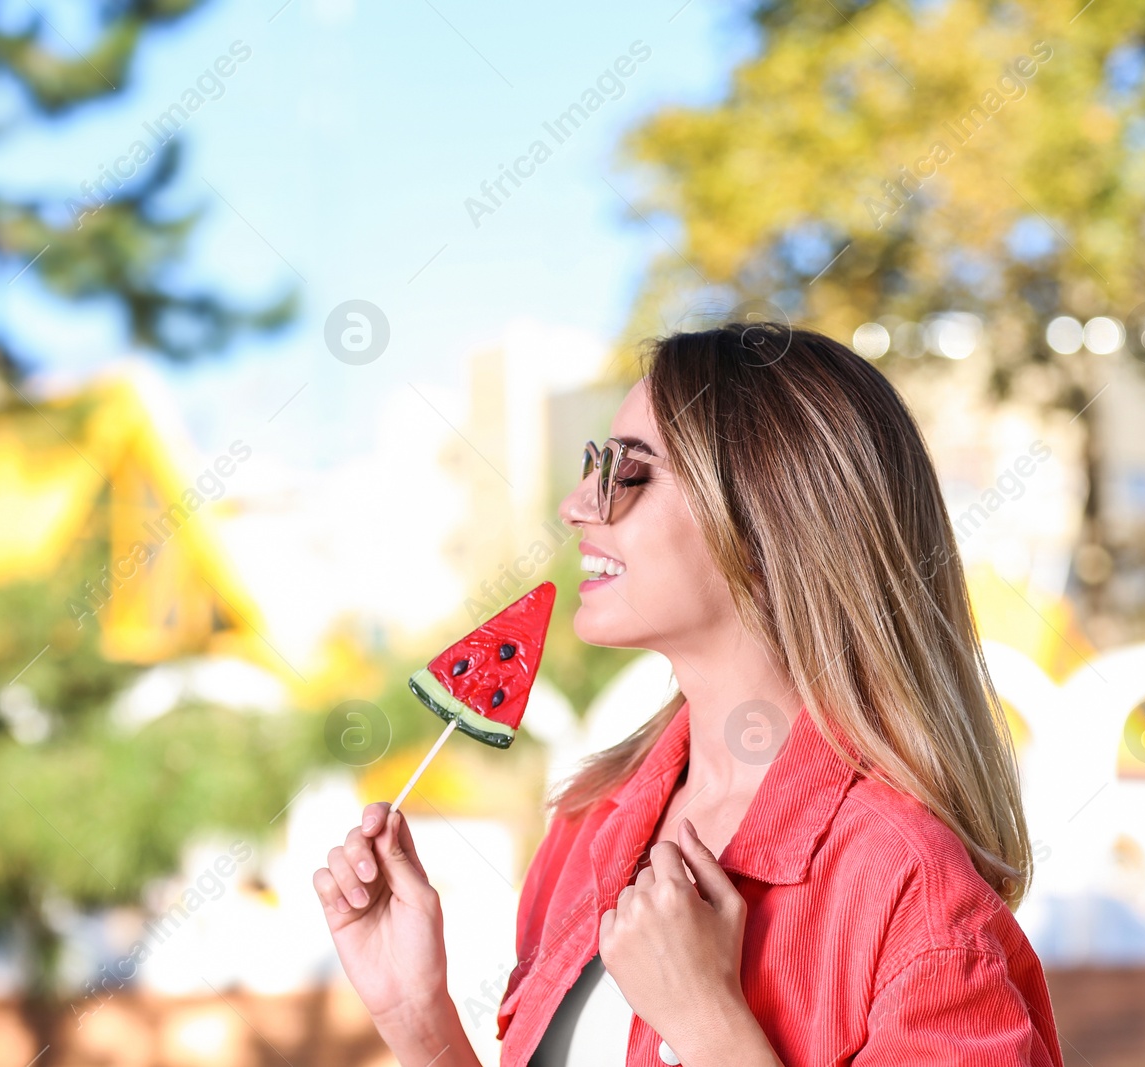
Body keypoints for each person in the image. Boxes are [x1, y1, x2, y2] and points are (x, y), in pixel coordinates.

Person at [313, 322, 1065, 1066]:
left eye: (628, 472)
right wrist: (419, 1016)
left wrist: (709, 1024)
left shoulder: (911, 895)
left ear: (771, 525)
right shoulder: (587, 824)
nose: (577, 506)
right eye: (592, 463)